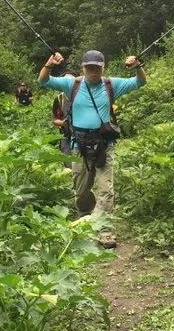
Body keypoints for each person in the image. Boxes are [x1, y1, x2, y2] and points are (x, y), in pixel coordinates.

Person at [38, 50, 147, 247]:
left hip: (104, 146)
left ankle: (104, 230)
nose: (93, 71)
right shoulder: (73, 84)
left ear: (103, 68)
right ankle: (86, 217)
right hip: (78, 145)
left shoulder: (111, 84)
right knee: (81, 191)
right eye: (90, 68)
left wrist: (138, 66)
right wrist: (49, 64)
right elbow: (43, 81)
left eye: (97, 68)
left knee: (106, 189)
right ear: (83, 68)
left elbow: (140, 82)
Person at [51, 71, 76, 166]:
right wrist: (62, 123)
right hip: (65, 135)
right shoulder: (59, 98)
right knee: (68, 162)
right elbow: (54, 120)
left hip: (82, 136)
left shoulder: (82, 95)